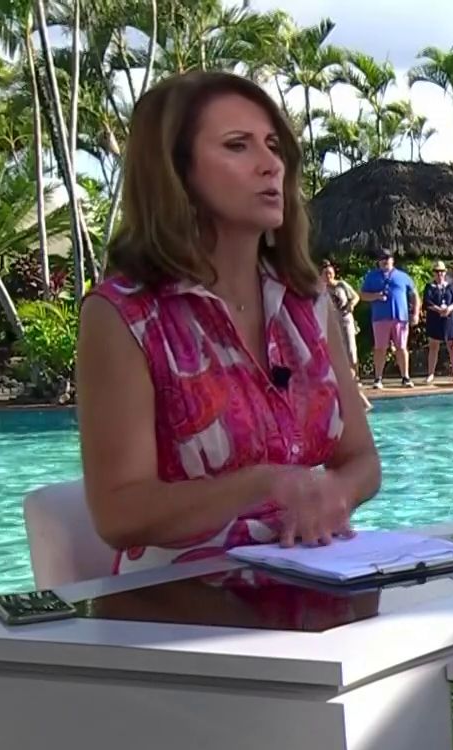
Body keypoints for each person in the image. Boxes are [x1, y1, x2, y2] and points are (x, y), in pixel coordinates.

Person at [76, 70, 380, 573]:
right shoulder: (123, 316)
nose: (270, 164)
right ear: (176, 173)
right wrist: (264, 485)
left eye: (273, 146)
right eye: (238, 145)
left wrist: (336, 493)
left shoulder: (307, 303)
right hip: (181, 596)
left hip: (318, 574)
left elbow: (362, 461)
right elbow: (118, 513)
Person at [360, 248, 416, 388]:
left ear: (392, 260)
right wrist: (376, 296)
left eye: (387, 258)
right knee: (380, 348)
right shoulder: (372, 276)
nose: (385, 261)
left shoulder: (403, 276)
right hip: (380, 318)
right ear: (378, 261)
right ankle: (378, 378)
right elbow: (363, 295)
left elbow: (415, 295)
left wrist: (415, 313)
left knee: (401, 347)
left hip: (400, 318)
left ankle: (405, 377)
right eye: (382, 259)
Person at [321, 260, 371, 412]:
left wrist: (351, 305)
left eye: (330, 273)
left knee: (350, 351)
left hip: (345, 320)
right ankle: (344, 382)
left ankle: (355, 379)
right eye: (325, 274)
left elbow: (355, 297)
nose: (328, 276)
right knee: (335, 353)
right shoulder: (321, 289)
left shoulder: (341, 285)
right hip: (331, 323)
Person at [420, 262, 453, 383]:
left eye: (442, 271)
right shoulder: (429, 287)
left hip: (449, 318)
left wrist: (448, 309)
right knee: (433, 347)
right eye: (437, 272)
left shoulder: (450, 286)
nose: (440, 274)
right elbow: (427, 302)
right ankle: (431, 374)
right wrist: (439, 310)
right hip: (435, 319)